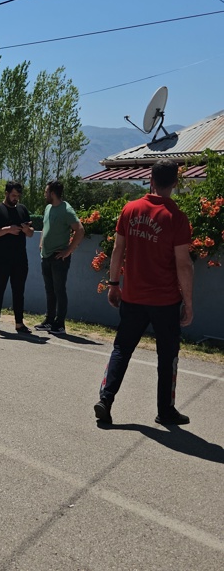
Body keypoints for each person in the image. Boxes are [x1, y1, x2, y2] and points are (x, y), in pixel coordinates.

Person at [94, 159, 194, 426]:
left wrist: (114, 285)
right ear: (175, 182)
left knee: (121, 349)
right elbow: (183, 264)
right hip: (164, 301)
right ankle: (165, 410)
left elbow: (117, 251)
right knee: (167, 355)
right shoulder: (177, 218)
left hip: (133, 297)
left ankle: (106, 399)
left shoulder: (130, 209)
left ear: (150, 179)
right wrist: (188, 301)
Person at [35, 180, 84, 335]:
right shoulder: (48, 208)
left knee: (59, 290)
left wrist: (68, 250)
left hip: (59, 257)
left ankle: (60, 323)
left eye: (46, 191)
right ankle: (49, 320)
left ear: (53, 193)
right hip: (46, 256)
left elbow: (80, 230)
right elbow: (45, 225)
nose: (44, 194)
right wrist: (41, 241)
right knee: (49, 290)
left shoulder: (66, 209)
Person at [0, 181, 34, 333]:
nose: (15, 198)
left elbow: (31, 233)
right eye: (13, 195)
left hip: (20, 259)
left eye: (18, 196)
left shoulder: (22, 209)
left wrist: (26, 229)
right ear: (6, 193)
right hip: (1, 259)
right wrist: (7, 230)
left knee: (19, 291)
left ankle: (19, 323)